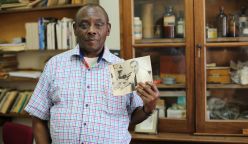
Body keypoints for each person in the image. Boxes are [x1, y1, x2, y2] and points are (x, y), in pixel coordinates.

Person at [25, 4, 159, 144]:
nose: (91, 31)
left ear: (108, 29)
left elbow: (132, 116)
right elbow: (38, 117)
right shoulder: (55, 65)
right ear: (75, 29)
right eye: (84, 25)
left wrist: (148, 108)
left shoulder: (124, 68)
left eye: (98, 25)